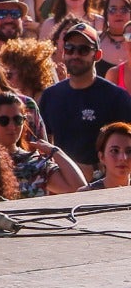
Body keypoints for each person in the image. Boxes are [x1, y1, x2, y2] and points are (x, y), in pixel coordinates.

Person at [40, 22, 131, 180]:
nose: (75, 55)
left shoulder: (116, 98)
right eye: (70, 48)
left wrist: (96, 168)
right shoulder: (50, 96)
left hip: (103, 187)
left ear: (97, 55)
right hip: (62, 186)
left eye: (83, 49)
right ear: (63, 52)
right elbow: (42, 145)